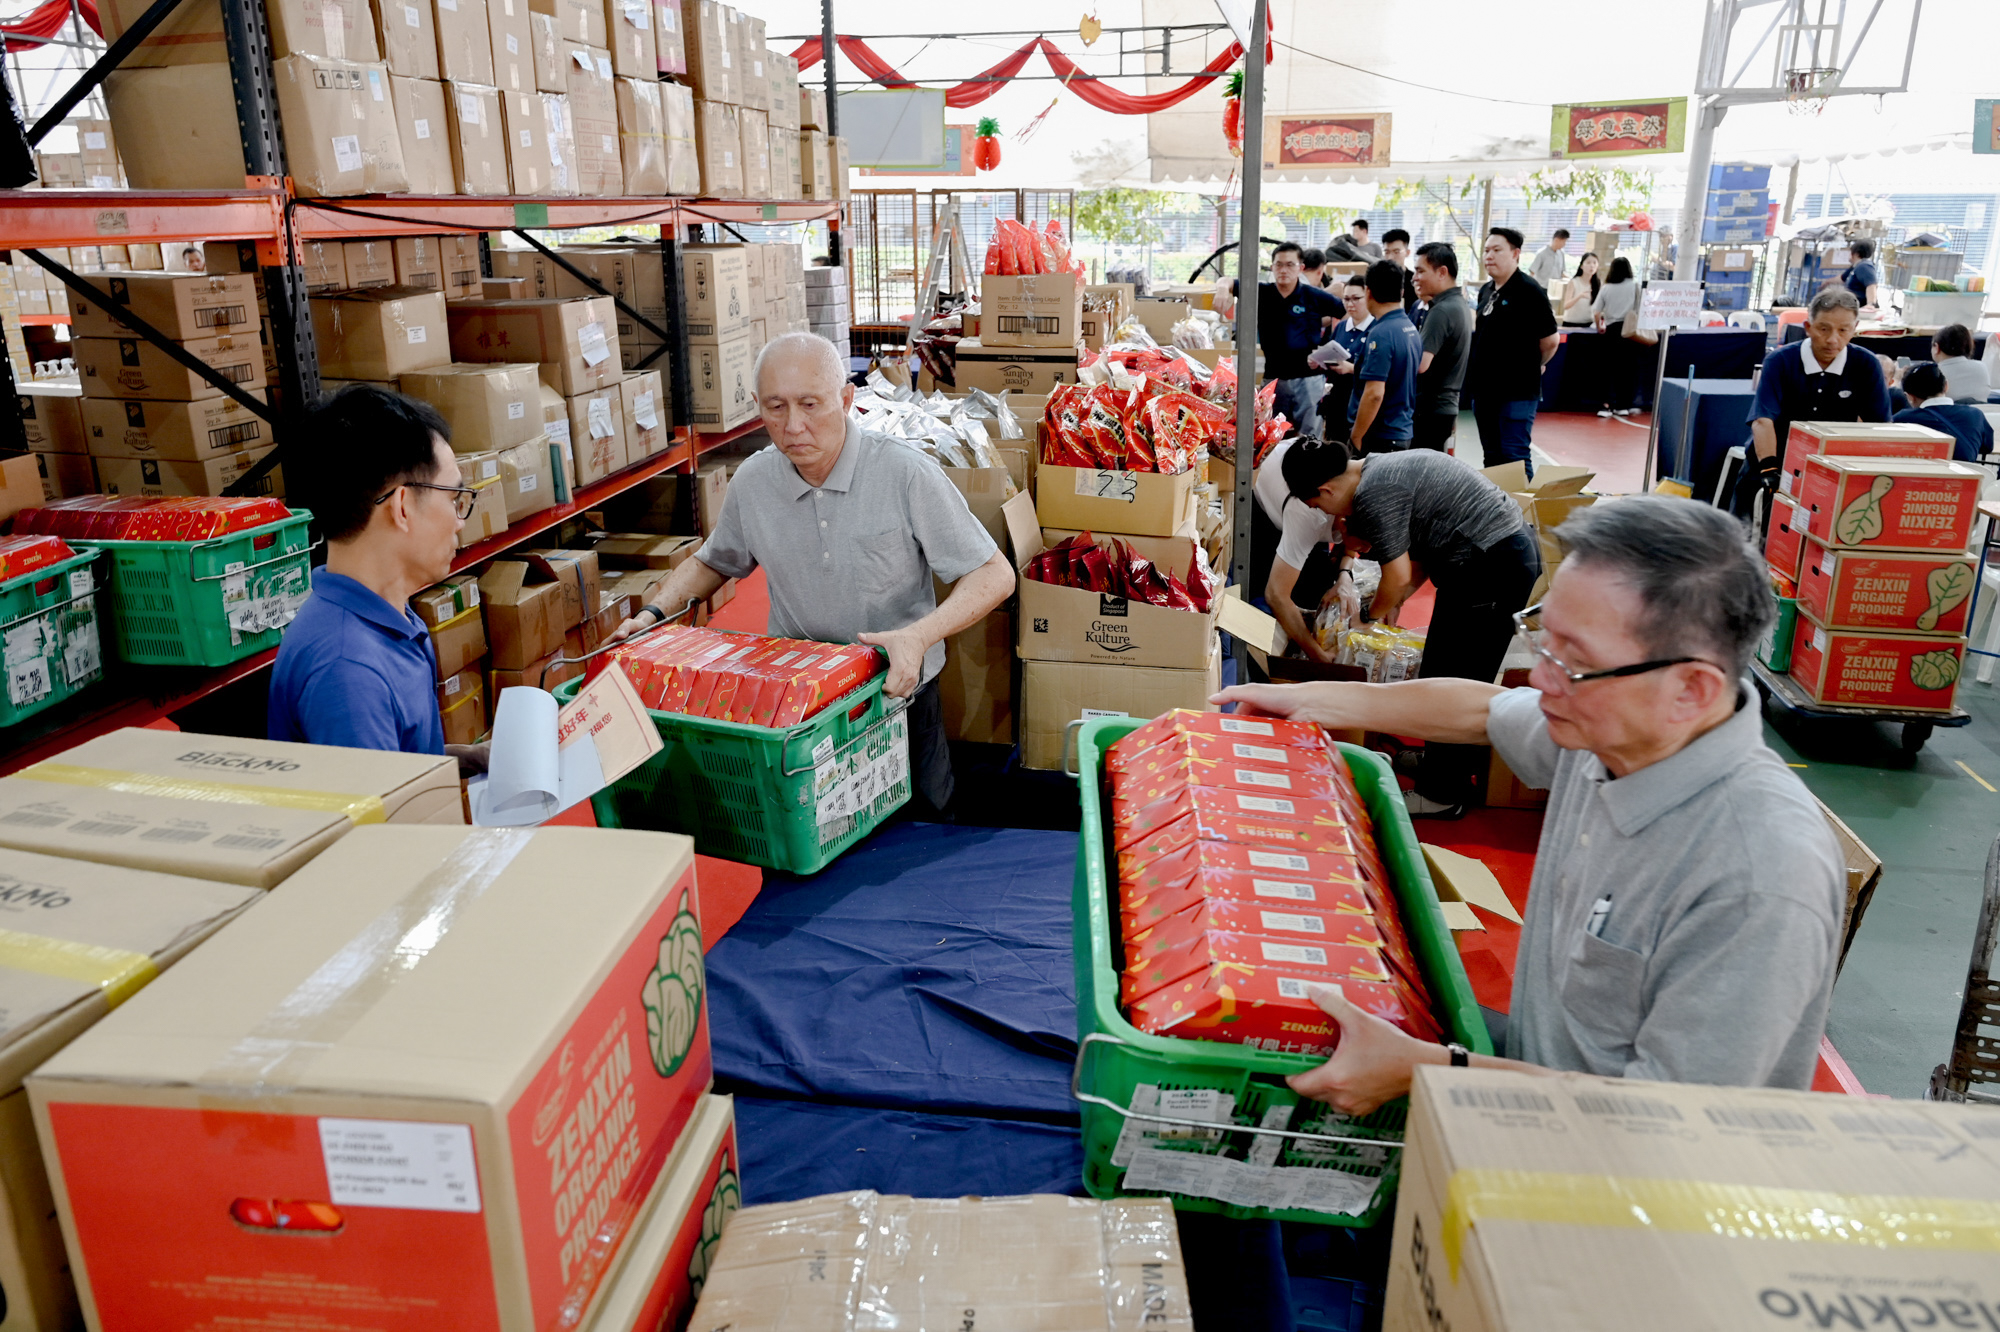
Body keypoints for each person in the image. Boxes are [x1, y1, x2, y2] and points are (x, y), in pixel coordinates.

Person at [1215, 497, 1843, 1111]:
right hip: (1539, 1064)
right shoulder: (1617, 727)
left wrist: (1433, 1072)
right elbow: (1482, 709)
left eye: (1575, 662)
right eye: (1546, 639)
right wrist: (1323, 703)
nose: (1539, 678)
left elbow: (1670, 1121)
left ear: (1692, 689)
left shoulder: (1758, 876)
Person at [614, 332, 1015, 816]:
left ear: (846, 398)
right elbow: (713, 561)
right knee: (808, 850)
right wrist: (654, 613)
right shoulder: (754, 482)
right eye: (775, 407)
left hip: (895, 700)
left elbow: (994, 574)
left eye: (810, 404)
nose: (793, 425)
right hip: (799, 708)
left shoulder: (905, 474)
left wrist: (918, 636)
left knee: (919, 843)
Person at [1279, 439, 1538, 815]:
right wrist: (1389, 603)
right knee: (1439, 669)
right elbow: (1417, 561)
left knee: (1455, 680)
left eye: (1317, 504)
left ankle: (1443, 794)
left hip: (1492, 568)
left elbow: (1397, 576)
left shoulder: (1373, 495)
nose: (1326, 515)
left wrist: (1364, 621)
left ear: (1326, 489)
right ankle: (1439, 764)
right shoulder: (1378, 466)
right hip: (1487, 559)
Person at [268, 387, 482, 771]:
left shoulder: (385, 617)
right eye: (453, 498)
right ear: (401, 507)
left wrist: (472, 759)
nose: (460, 521)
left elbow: (399, 763)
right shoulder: (349, 670)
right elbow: (382, 825)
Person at [1737, 287, 1890, 522]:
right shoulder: (1780, 362)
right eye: (1824, 329)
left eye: (1843, 330)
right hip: (1774, 465)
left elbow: (1878, 428)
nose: (1832, 339)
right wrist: (1770, 470)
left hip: (1833, 472)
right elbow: (1762, 420)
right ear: (1808, 327)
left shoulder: (1866, 366)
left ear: (1855, 329)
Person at [1468, 227, 1558, 474]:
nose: (1489, 256)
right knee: (1492, 456)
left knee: (1514, 456)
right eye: (1486, 250)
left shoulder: (1529, 291)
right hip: (1485, 391)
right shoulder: (1487, 291)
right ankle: (1497, 511)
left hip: (1516, 392)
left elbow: (1550, 340)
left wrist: (1534, 364)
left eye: (1497, 250)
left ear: (1516, 254)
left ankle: (1522, 513)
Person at [1252, 435, 1340, 662]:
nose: (1365, 550)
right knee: (1269, 593)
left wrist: (1345, 575)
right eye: (1362, 544)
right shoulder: (1307, 513)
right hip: (1266, 514)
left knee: (1318, 591)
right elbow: (1276, 595)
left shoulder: (1347, 493)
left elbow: (1350, 543)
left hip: (1306, 505)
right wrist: (1316, 654)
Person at [1254, 241, 1344, 441]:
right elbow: (1229, 282)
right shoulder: (1262, 293)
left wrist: (1338, 346)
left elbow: (1346, 312)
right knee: (1272, 437)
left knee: (1310, 438)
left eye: (1290, 264)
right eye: (1279, 264)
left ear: (1301, 268)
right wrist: (1224, 288)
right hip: (1274, 378)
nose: (1284, 270)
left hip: (1308, 379)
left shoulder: (1313, 296)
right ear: (1272, 267)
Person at [1346, 260, 1421, 454]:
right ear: (1402, 292)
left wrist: (1356, 436)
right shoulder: (1410, 327)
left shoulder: (1381, 332)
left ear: (1369, 292)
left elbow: (1374, 394)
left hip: (1382, 436)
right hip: (1401, 430)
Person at [1413, 241, 1472, 454]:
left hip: (1430, 411)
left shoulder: (1442, 311)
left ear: (1442, 272)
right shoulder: (1458, 304)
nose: (1415, 278)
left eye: (1420, 271)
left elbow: (1421, 364)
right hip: (1444, 408)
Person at [1312, 276, 1373, 440]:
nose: (1350, 304)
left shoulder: (1376, 329)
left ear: (1368, 297)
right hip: (1336, 401)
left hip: (1359, 402)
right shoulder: (1341, 327)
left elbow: (1379, 370)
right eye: (1346, 299)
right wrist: (1319, 362)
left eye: (1356, 299)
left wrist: (1351, 368)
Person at [1895, 361, 1993, 462]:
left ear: (1909, 397)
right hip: (1966, 476)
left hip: (1922, 476)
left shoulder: (1902, 420)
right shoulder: (1975, 415)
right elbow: (1987, 447)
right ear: (1946, 386)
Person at [1591, 256, 1642, 418]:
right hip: (1630, 332)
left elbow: (1597, 311)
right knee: (1628, 370)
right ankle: (1623, 405)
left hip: (1611, 331)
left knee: (1606, 370)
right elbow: (1641, 308)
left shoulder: (1606, 288)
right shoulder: (1635, 286)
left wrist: (1599, 326)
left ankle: (1605, 405)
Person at [1932, 323, 1991, 404]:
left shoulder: (1934, 373)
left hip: (1945, 415)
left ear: (1936, 347)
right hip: (1980, 414)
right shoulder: (1982, 366)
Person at [1381, 227, 1421, 319]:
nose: (1390, 257)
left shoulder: (1415, 281)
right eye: (1387, 252)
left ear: (1407, 252)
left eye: (1396, 252)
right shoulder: (1376, 281)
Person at [1560, 251, 1600, 327]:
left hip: (1589, 323)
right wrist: (1579, 296)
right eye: (1588, 263)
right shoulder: (1574, 282)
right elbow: (1566, 305)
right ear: (1581, 266)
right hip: (1571, 323)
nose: (1592, 266)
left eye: (1595, 263)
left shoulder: (1597, 284)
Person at [1842, 238, 1882, 310]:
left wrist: (1871, 304)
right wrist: (1826, 282)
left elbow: (1871, 285)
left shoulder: (1864, 266)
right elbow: (1842, 278)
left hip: (1861, 308)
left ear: (1855, 254)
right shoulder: (1855, 267)